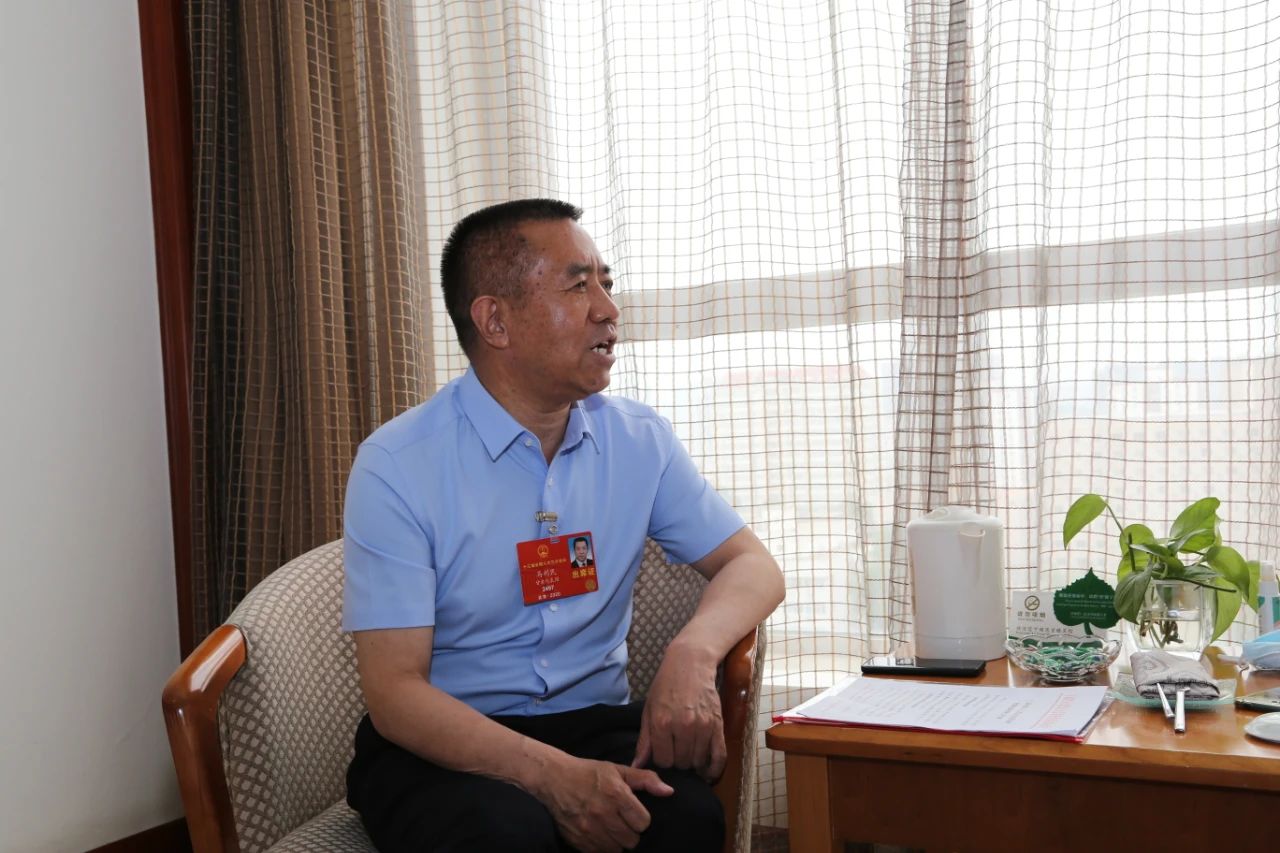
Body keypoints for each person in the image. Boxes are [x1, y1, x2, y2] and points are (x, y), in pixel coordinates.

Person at [341, 198, 784, 853]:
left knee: (685, 820)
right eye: (579, 286)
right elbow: (395, 693)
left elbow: (753, 565)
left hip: (593, 723)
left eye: (606, 282)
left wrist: (692, 653)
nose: (608, 309)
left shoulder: (638, 441)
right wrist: (551, 777)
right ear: (495, 320)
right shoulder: (398, 464)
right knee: (506, 835)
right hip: (447, 741)